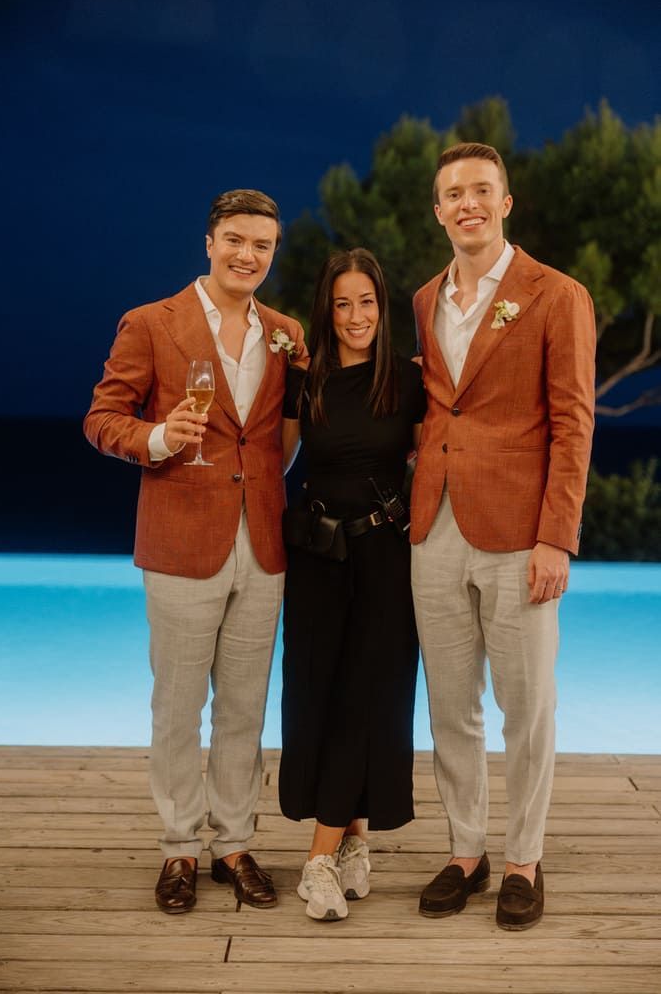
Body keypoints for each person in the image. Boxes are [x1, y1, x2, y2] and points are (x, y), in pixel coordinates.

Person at [84, 189, 308, 914]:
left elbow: (285, 430)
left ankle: (235, 844)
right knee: (178, 708)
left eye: (262, 246)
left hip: (264, 542)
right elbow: (102, 418)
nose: (248, 255)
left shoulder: (284, 332)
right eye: (236, 241)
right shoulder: (151, 324)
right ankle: (179, 846)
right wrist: (155, 440)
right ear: (208, 243)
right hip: (181, 538)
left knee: (244, 707)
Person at [411, 143, 595, 930]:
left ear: (506, 202)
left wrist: (556, 537)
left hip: (521, 533)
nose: (466, 204)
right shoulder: (423, 298)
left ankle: (523, 858)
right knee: (451, 707)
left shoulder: (555, 294)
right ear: (437, 209)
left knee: (527, 706)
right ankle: (465, 850)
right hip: (433, 528)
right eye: (452, 193)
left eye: (480, 190)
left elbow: (572, 422)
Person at [279, 248, 426, 921]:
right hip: (315, 557)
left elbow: (437, 458)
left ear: (382, 307)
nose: (354, 315)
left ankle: (318, 859)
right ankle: (352, 843)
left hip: (384, 557)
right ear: (326, 309)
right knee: (319, 693)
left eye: (365, 301)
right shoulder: (301, 379)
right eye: (341, 303)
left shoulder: (408, 380)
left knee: (371, 696)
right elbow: (274, 458)